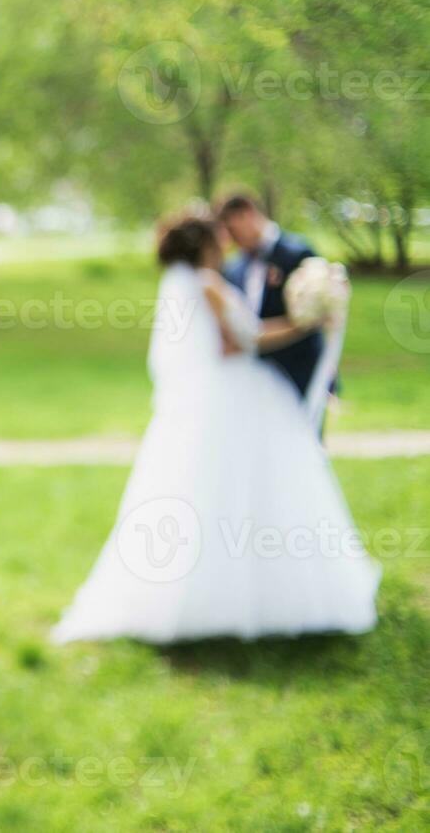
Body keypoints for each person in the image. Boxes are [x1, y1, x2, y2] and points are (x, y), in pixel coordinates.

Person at [51, 216, 378, 644]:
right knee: (257, 491)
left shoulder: (181, 282)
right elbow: (250, 337)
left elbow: (224, 341)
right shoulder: (205, 282)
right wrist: (307, 321)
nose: (224, 245)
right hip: (234, 395)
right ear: (205, 245)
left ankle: (203, 599)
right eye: (217, 239)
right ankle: (265, 599)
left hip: (210, 396)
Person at [217, 193, 326, 401]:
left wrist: (327, 380)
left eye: (231, 229)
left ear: (247, 214)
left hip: (298, 374)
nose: (230, 239)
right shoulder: (233, 268)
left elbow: (316, 320)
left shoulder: (297, 253)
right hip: (251, 379)